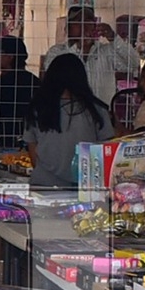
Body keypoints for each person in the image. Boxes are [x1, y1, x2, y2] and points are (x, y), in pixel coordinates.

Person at [25, 52, 113, 188]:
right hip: (85, 186)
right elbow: (106, 149)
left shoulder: (38, 108)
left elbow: (33, 150)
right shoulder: (97, 110)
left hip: (44, 184)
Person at [42, 6, 139, 105]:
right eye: (78, 21)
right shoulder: (57, 52)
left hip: (101, 112)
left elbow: (134, 64)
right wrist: (78, 47)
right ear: (67, 28)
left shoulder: (107, 51)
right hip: (68, 112)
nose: (84, 26)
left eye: (88, 21)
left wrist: (113, 38)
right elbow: (53, 77)